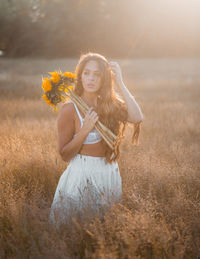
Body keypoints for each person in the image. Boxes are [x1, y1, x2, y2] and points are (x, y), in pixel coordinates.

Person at [48, 52, 143, 227]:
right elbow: (64, 155)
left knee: (104, 231)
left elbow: (137, 118)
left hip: (109, 173)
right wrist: (84, 131)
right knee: (75, 232)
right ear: (80, 76)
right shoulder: (70, 109)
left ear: (104, 79)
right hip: (82, 174)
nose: (91, 78)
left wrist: (120, 82)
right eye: (86, 73)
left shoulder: (109, 105)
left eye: (97, 74)